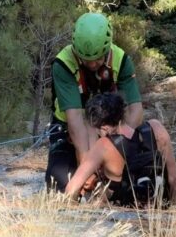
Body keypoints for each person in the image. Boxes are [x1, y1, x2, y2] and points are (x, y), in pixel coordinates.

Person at [46, 12, 144, 192]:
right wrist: (87, 167)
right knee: (59, 186)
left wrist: (119, 145)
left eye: (98, 59)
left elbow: (135, 110)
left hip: (109, 129)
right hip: (68, 127)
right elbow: (75, 120)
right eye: (86, 60)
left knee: (126, 186)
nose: (92, 65)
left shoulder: (121, 60)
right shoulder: (63, 64)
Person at [65, 93, 176, 207]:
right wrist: (173, 210)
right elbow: (173, 179)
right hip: (159, 208)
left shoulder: (104, 145)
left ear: (104, 128)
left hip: (126, 215)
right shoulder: (156, 128)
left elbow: (71, 188)